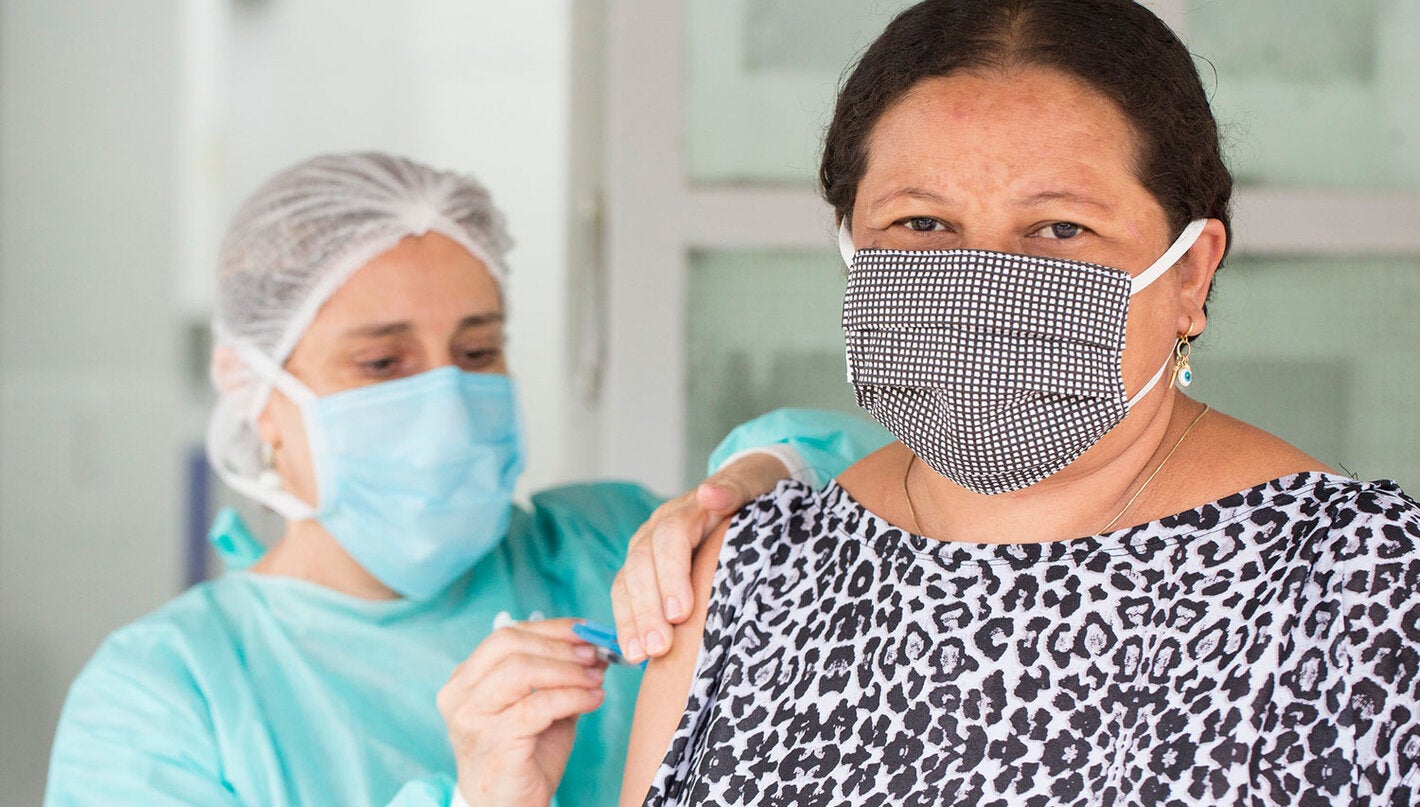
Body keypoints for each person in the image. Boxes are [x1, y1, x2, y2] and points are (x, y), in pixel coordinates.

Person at [619, 1, 1420, 805]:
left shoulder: (1364, 591)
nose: (981, 285)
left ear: (1190, 275)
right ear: (850, 241)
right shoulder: (748, 579)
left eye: (1059, 228)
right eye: (921, 221)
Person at [44, 153, 890, 807]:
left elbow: (917, 503)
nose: (447, 398)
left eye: (478, 351)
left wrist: (763, 473)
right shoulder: (165, 694)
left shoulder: (609, 541)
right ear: (257, 397)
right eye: (383, 361)